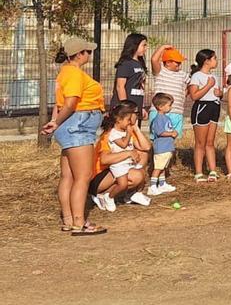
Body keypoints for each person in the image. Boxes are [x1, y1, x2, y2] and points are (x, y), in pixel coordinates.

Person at [41, 37, 107, 236]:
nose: (89, 55)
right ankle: (80, 222)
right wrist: (57, 122)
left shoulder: (65, 73)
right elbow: (70, 103)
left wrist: (55, 122)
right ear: (79, 54)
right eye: (88, 52)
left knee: (68, 176)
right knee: (83, 177)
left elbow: (59, 104)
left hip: (72, 126)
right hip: (78, 126)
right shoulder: (74, 73)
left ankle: (69, 220)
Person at [104, 101, 152, 209]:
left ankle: (132, 193)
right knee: (123, 183)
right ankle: (109, 196)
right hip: (115, 166)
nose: (136, 117)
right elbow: (124, 145)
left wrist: (135, 128)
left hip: (127, 162)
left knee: (142, 168)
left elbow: (146, 147)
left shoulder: (125, 130)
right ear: (120, 119)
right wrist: (129, 133)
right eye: (135, 113)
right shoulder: (113, 133)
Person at [188, 49, 222, 182]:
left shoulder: (215, 76)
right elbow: (194, 95)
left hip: (215, 107)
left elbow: (218, 93)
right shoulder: (197, 76)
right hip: (202, 108)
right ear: (207, 61)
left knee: (210, 142)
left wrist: (220, 94)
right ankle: (198, 172)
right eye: (214, 58)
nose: (216, 61)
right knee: (200, 143)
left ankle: (212, 170)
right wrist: (208, 86)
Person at [149, 45, 188, 144]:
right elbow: (154, 59)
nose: (179, 64)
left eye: (180, 62)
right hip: (160, 112)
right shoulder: (160, 71)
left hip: (176, 111)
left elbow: (188, 88)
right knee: (157, 139)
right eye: (177, 62)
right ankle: (155, 158)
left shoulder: (183, 74)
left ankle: (167, 158)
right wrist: (163, 47)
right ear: (168, 62)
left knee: (171, 140)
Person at [110, 33, 148, 122]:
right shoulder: (126, 63)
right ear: (134, 45)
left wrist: (141, 107)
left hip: (135, 109)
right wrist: (126, 108)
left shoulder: (140, 63)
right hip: (125, 110)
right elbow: (120, 87)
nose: (146, 48)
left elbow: (141, 88)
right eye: (144, 45)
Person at [148, 93, 179, 195]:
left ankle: (162, 184)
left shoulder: (166, 118)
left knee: (162, 167)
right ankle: (152, 186)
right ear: (161, 107)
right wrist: (171, 133)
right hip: (161, 148)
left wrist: (173, 133)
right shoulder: (158, 119)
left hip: (166, 147)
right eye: (169, 105)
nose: (170, 107)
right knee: (158, 168)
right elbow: (160, 132)